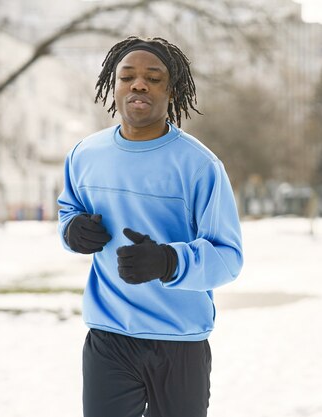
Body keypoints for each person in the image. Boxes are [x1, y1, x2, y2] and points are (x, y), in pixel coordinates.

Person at [57, 36, 244, 417]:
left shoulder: (199, 165)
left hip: (179, 340)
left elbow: (228, 257)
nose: (138, 84)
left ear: (171, 90)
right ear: (114, 85)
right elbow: (68, 209)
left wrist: (167, 262)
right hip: (109, 336)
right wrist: (72, 230)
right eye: (127, 76)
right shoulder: (84, 155)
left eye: (153, 77)